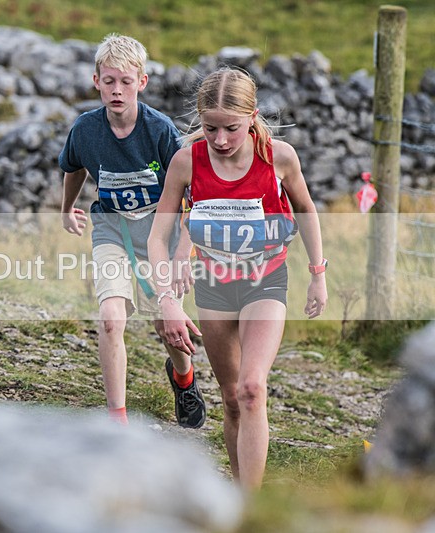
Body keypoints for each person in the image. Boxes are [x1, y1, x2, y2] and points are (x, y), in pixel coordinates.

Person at [147, 67, 328, 489]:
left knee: (251, 388)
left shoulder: (278, 156)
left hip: (265, 280)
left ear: (253, 116)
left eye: (231, 128)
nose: (221, 140)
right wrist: (167, 301)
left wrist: (318, 273)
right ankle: (237, 492)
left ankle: (252, 506)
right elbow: (159, 235)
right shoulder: (185, 162)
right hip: (214, 285)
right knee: (231, 400)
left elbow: (306, 210)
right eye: (210, 128)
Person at [59, 33, 206, 428]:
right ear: (96, 82)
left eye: (126, 82)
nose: (117, 90)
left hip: (162, 229)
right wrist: (67, 207)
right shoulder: (86, 130)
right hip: (112, 228)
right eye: (109, 81)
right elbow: (74, 166)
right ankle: (117, 420)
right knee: (110, 317)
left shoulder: (160, 132)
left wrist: (182, 255)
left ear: (142, 82)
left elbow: (192, 194)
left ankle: (184, 378)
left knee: (168, 327)